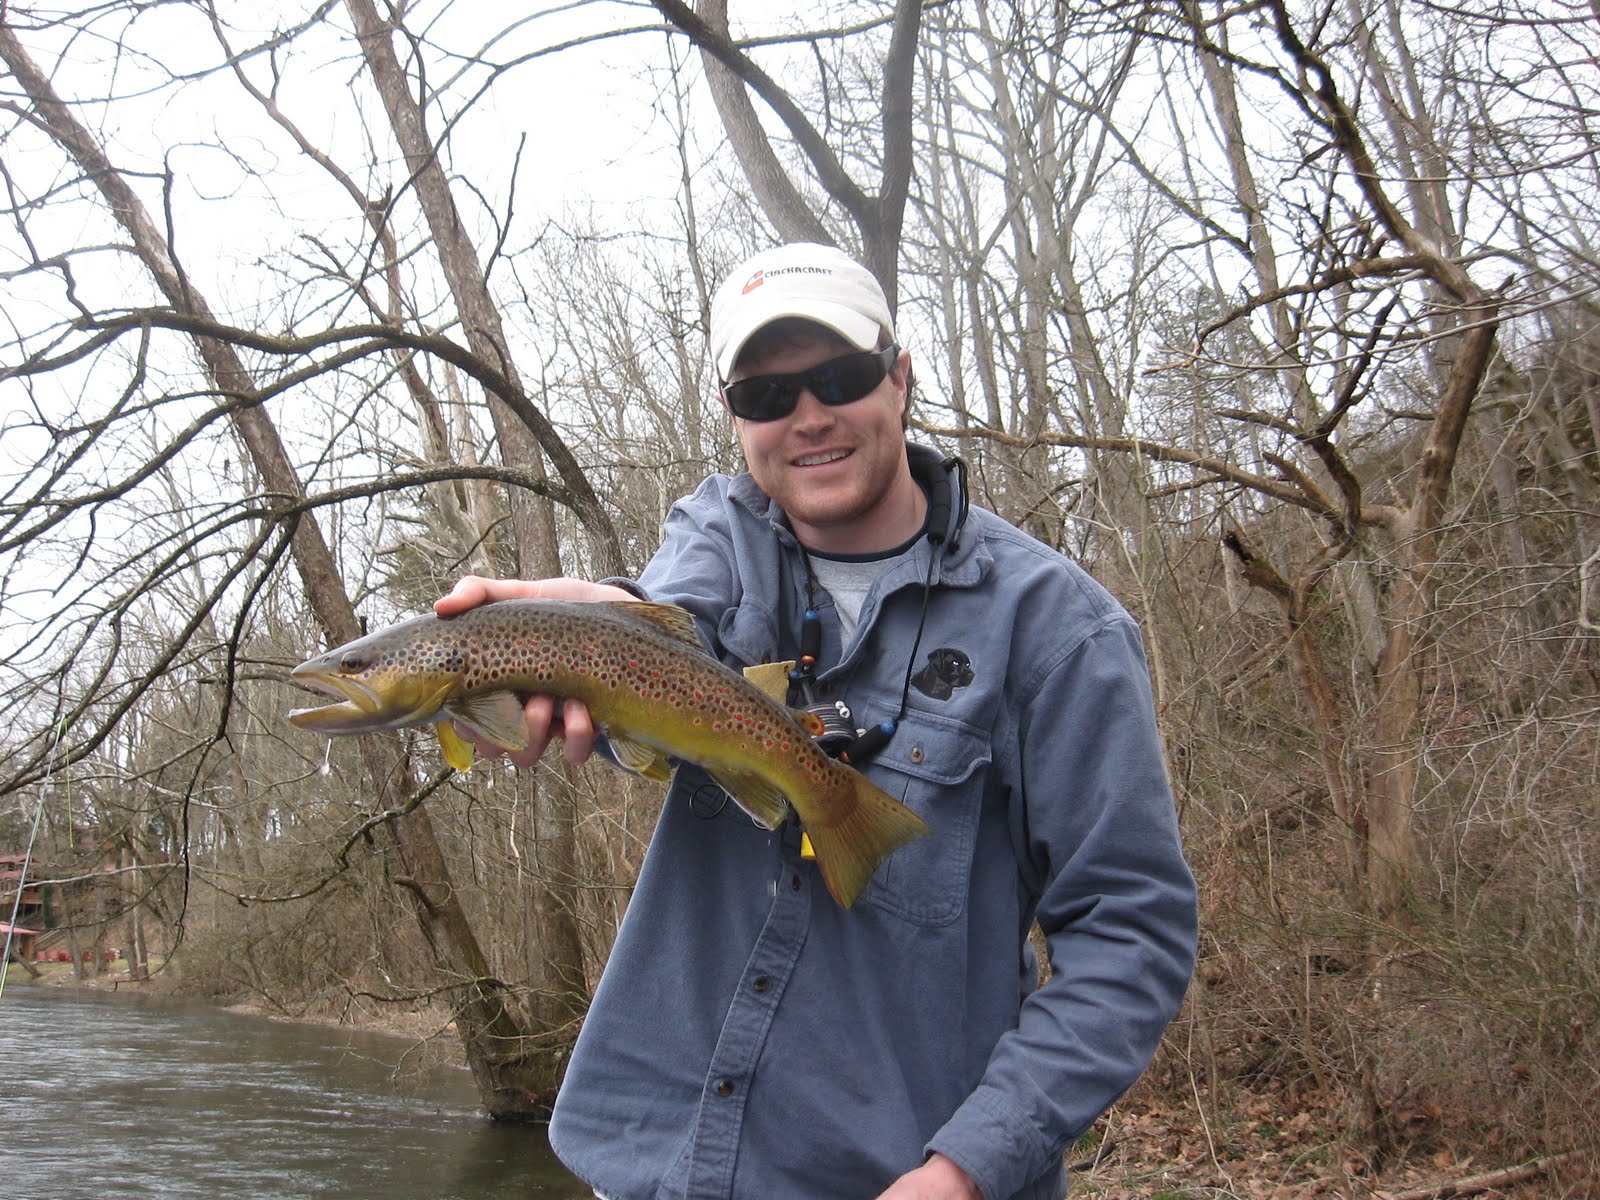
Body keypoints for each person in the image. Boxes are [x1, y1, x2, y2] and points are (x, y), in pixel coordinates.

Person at [435, 242, 1198, 1200]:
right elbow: (674, 606)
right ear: (734, 418)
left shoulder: (1060, 635)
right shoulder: (720, 534)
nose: (808, 419)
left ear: (902, 377)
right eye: (766, 397)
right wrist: (598, 623)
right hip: (652, 1167)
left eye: (838, 377)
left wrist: (967, 1169)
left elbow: (1131, 933)